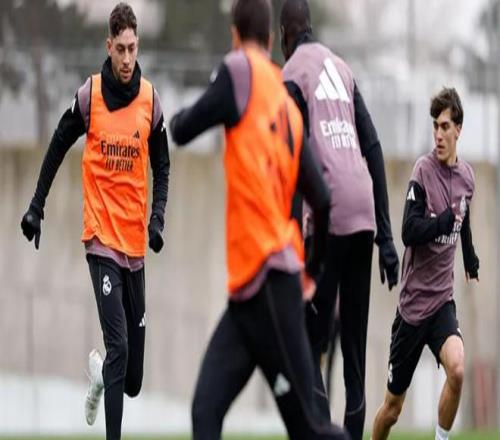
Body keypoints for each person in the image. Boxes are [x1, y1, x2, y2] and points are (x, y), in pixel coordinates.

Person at [169, 1, 349, 439]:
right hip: (251, 295)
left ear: (235, 36)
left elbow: (183, 128)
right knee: (205, 410)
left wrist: (172, 118)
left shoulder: (238, 70)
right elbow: (323, 199)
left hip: (269, 282)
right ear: (270, 40)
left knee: (311, 430)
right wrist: (312, 270)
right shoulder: (284, 102)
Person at [20, 3, 170, 439]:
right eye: (120, 49)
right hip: (101, 240)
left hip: (134, 247)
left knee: (132, 378)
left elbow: (162, 165)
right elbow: (57, 144)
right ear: (109, 46)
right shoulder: (91, 96)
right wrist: (36, 206)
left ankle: (103, 377)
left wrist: (157, 218)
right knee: (118, 345)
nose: (127, 58)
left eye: (132, 48)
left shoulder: (150, 101)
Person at [279, 1, 400, 438]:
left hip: (328, 220)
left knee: (309, 345)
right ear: (310, 27)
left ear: (284, 34)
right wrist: (386, 238)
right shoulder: (343, 70)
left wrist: (294, 241)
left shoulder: (292, 74)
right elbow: (373, 147)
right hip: (363, 216)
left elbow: (293, 161)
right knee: (353, 354)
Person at [371, 87, 479, 440]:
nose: (438, 135)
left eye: (445, 126)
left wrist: (470, 255)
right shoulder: (423, 170)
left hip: (441, 303)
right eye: (435, 126)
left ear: (458, 129)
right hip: (412, 310)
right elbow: (408, 230)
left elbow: (462, 216)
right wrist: (441, 223)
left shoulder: (467, 177)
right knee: (392, 410)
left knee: (457, 369)